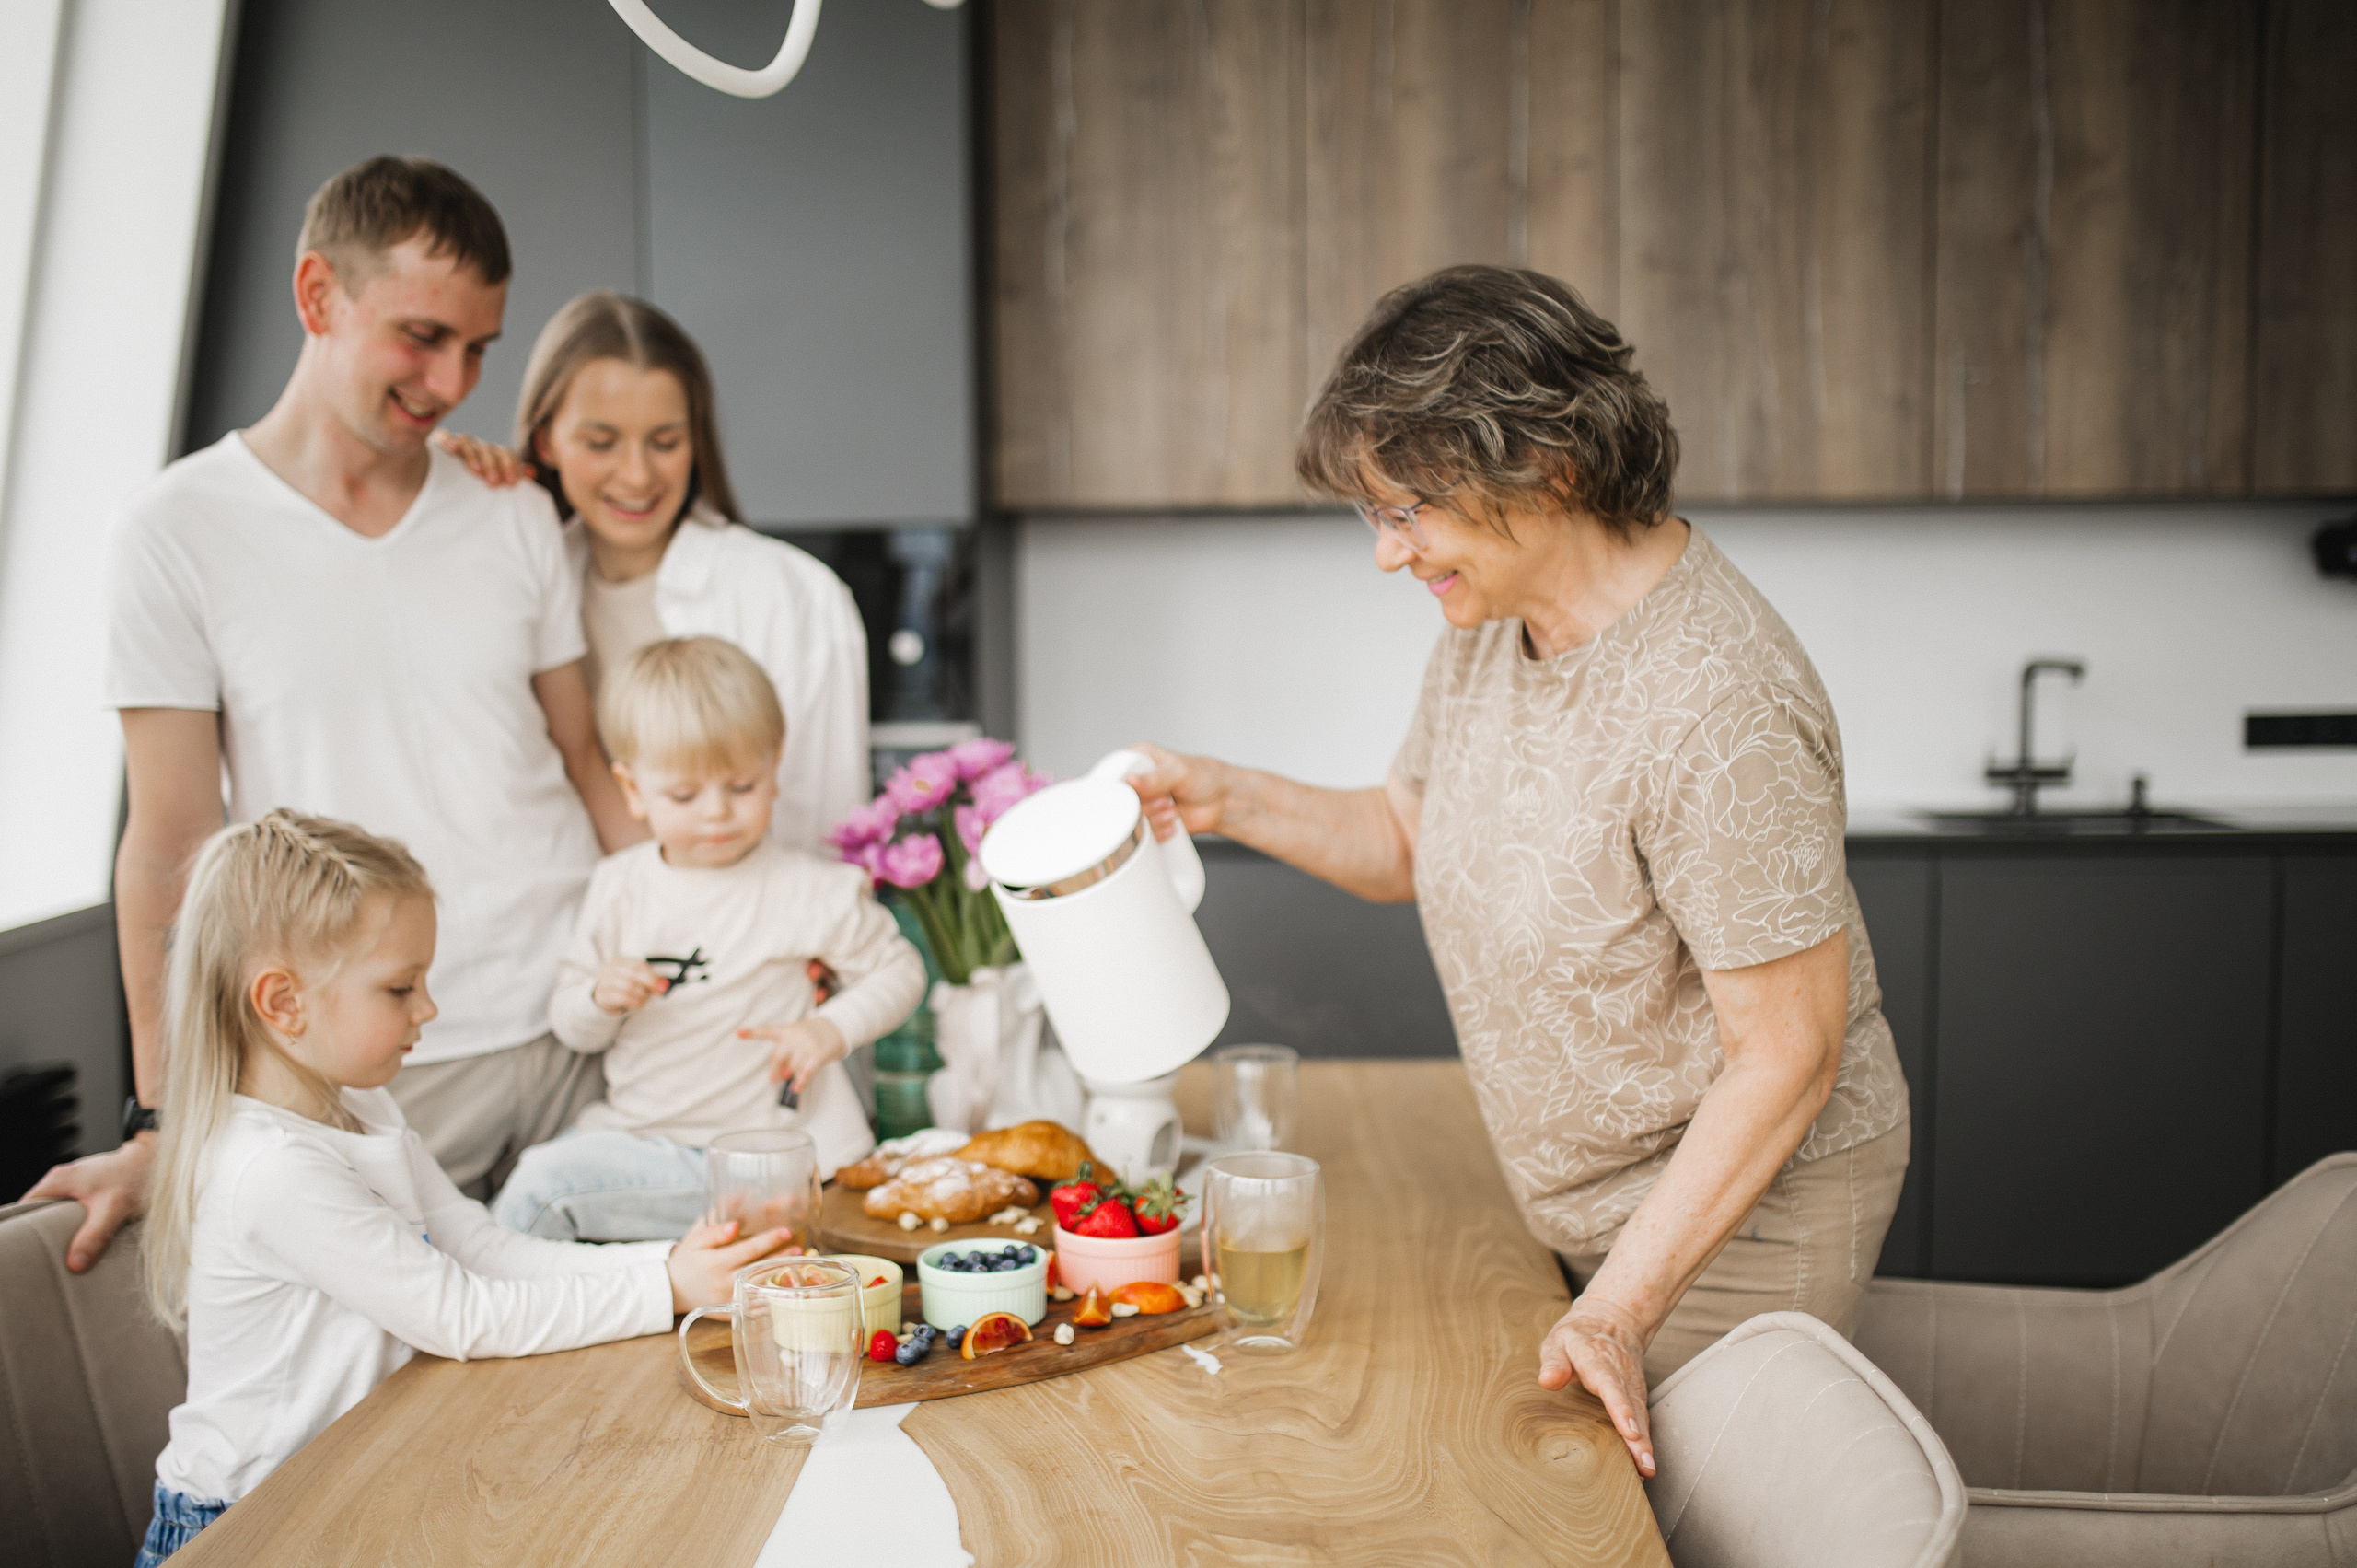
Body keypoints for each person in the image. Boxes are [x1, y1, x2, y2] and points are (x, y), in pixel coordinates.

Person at [1124, 266, 1910, 1481]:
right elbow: (1409, 837)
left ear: (1543, 468)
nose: (1388, 555)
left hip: (1737, 1229)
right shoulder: (1496, 621)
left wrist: (1617, 1308)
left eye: (1408, 513)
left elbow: (1787, 1054)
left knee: (1624, 1528)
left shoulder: (1718, 702)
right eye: (1372, 515)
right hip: (1584, 1212)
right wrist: (1218, 794)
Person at [28, 157, 638, 1269]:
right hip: (376, 1059)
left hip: (581, 1017)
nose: (453, 380)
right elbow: (171, 846)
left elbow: (586, 758)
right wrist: (169, 1118)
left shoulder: (508, 511)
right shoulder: (173, 533)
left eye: (478, 348)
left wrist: (710, 932)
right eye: (421, 336)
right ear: (319, 296)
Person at [135, 809, 787, 1566]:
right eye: (400, 987)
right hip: (246, 1526)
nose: (428, 1009)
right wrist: (663, 1286)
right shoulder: (273, 1168)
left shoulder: (361, 1105)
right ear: (283, 1002)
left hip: (348, 1487)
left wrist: (668, 1263)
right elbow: (460, 1312)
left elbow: (479, 1247)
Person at [490, 637, 924, 1240]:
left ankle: (504, 1319)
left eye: (742, 786)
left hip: (760, 1161)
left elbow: (900, 970)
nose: (717, 812)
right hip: (638, 1135)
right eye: (685, 795)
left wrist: (829, 1029)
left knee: (541, 1187)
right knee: (537, 1177)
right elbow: (572, 1024)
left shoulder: (808, 889)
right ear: (633, 789)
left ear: (775, 765)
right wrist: (598, 998)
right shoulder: (620, 886)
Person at [435, 291, 870, 854]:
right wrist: (449, 484)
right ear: (546, 441)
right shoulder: (511, 577)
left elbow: (825, 844)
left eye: (665, 442)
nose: (637, 476)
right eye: (601, 442)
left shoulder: (794, 597)